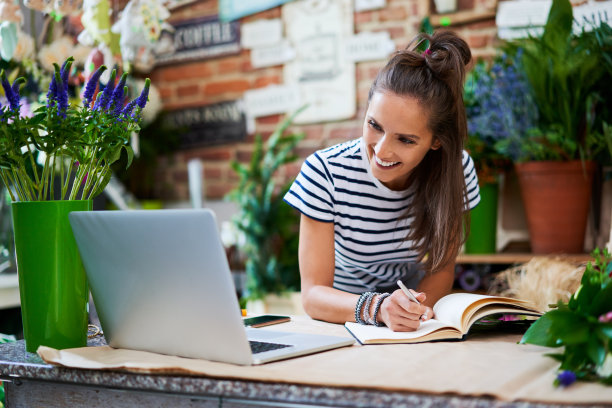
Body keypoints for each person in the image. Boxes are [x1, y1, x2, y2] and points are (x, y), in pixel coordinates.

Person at [283, 31, 480, 332]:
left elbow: (442, 269)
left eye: (405, 139)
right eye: (374, 125)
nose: (382, 150)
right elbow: (312, 296)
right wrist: (379, 309)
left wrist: (418, 311)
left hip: (410, 325)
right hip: (342, 319)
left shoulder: (457, 171)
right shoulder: (325, 173)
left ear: (436, 142)